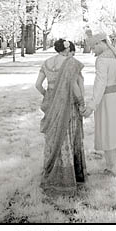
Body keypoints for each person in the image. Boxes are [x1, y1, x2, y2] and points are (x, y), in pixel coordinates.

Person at [35, 39, 87, 195]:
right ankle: (66, 178)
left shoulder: (47, 62)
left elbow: (38, 85)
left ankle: (50, 171)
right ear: (67, 49)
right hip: (67, 105)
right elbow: (74, 87)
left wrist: (49, 95)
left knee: (52, 138)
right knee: (66, 139)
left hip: (51, 105)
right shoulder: (71, 63)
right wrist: (82, 103)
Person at [83, 33, 116, 176]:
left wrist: (92, 104)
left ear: (99, 43)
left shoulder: (102, 59)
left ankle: (112, 167)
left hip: (106, 99)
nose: (93, 51)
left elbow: (100, 84)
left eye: (93, 48)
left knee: (108, 130)